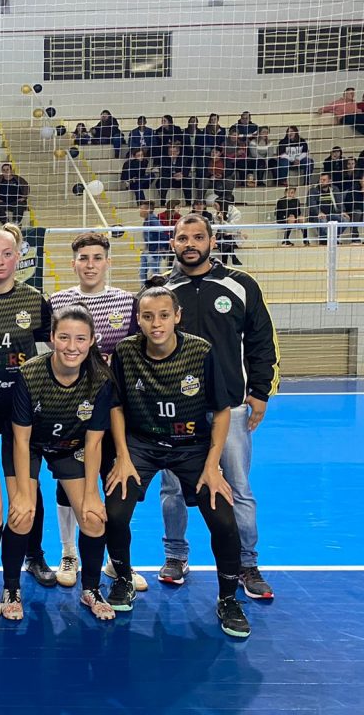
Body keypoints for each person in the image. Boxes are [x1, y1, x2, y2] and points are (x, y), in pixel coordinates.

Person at [104, 278, 251, 638]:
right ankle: (122, 579)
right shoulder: (125, 352)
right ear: (138, 319)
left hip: (191, 446)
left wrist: (213, 466)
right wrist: (122, 456)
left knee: (223, 517)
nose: (156, 323)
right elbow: (116, 406)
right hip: (142, 444)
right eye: (148, 316)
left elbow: (221, 411)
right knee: (115, 510)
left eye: (163, 315)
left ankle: (228, 599)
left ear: (177, 316)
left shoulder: (200, 351)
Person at [160, 214, 279, 601]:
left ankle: (247, 564)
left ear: (212, 242)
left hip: (231, 407)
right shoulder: (162, 291)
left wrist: (260, 391)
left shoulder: (240, 285)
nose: (190, 244)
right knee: (173, 488)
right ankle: (176, 556)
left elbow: (261, 340)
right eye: (183, 238)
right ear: (173, 244)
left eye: (198, 237)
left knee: (238, 488)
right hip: (178, 412)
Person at [48, 232, 145, 591]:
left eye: (97, 258)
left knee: (115, 483)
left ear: (108, 262)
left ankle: (116, 561)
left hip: (116, 410)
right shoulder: (57, 301)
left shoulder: (127, 302)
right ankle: (68, 552)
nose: (90, 265)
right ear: (73, 263)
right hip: (71, 411)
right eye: (84, 258)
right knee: (68, 483)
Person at [7, 304, 116, 621]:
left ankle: (91, 589)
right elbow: (20, 440)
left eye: (80, 339)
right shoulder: (30, 374)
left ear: (92, 340)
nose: (72, 346)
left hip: (70, 447)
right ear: (52, 337)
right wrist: (23, 494)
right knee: (22, 515)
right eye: (64, 337)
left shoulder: (100, 380)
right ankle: (11, 589)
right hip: (29, 444)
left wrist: (92, 493)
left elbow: (93, 442)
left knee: (93, 518)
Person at [0, 225, 53, 595]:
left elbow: (58, 348)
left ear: (18, 257)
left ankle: (34, 554)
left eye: (7, 254)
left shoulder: (34, 300)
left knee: (28, 483)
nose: (0, 261)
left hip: (23, 406)